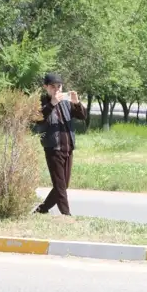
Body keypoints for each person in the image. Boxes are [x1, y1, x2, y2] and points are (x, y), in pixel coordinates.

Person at [34, 73, 87, 216]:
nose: (56, 90)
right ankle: (66, 215)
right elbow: (37, 119)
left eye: (59, 86)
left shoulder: (65, 101)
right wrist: (51, 104)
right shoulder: (41, 102)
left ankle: (41, 210)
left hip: (68, 147)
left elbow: (82, 116)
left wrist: (76, 103)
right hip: (53, 148)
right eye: (53, 87)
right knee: (60, 185)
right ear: (46, 87)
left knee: (63, 185)